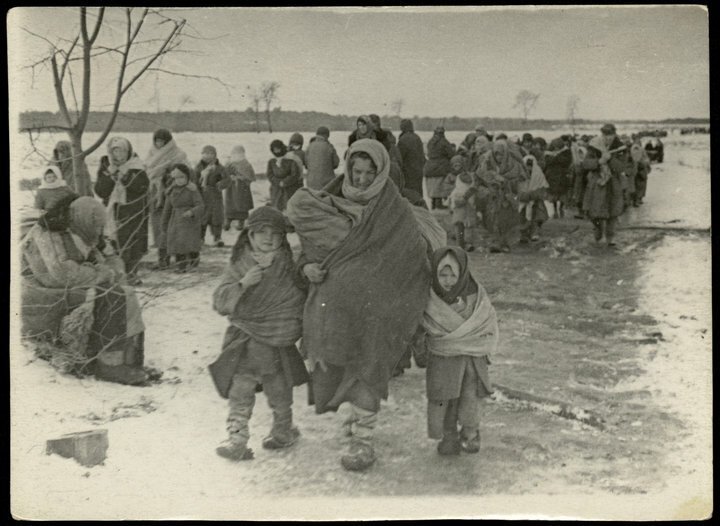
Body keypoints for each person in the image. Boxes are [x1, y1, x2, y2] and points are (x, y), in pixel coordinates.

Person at [285, 139, 430, 471]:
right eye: (356, 171)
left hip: (378, 308)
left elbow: (411, 256)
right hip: (336, 308)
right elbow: (308, 252)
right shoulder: (330, 200)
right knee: (339, 365)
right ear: (347, 168)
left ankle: (364, 439)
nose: (362, 179)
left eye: (369, 172)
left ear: (381, 172)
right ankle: (354, 419)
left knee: (368, 368)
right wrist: (306, 268)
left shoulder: (394, 209)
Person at [210, 206, 309, 461]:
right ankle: (237, 439)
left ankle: (282, 432)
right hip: (244, 342)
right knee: (240, 391)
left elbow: (297, 300)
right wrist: (243, 284)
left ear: (282, 237)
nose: (268, 238)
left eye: (274, 233)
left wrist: (287, 324)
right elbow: (220, 302)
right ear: (249, 236)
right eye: (261, 232)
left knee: (279, 390)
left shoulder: (288, 266)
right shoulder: (239, 264)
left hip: (276, 342)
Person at [21, 195, 149, 385]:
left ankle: (130, 361)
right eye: (96, 226)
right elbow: (61, 273)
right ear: (83, 219)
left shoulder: (83, 230)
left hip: (65, 286)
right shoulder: (48, 232)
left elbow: (108, 258)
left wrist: (115, 271)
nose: (99, 231)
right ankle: (108, 364)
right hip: (40, 291)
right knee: (110, 297)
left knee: (126, 294)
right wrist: (102, 274)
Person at [418, 246, 498, 455]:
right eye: (442, 275)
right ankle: (449, 436)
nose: (447, 280)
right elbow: (421, 325)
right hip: (442, 360)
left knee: (470, 398)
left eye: (452, 275)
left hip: (471, 361)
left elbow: (487, 322)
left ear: (461, 273)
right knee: (445, 399)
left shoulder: (476, 295)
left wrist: (479, 344)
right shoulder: (428, 297)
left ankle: (471, 433)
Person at [94, 137, 149, 286]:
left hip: (132, 212)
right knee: (113, 244)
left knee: (133, 244)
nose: (118, 155)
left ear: (128, 151)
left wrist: (125, 177)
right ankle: (116, 275)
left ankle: (131, 274)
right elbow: (100, 191)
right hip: (112, 212)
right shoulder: (106, 167)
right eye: (115, 151)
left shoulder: (136, 166)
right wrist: (110, 176)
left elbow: (141, 187)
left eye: (121, 151)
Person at [145, 129, 193, 271]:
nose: (159, 144)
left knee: (175, 228)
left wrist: (168, 175)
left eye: (162, 141)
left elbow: (187, 172)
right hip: (155, 195)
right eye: (157, 141)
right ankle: (163, 259)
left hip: (173, 194)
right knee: (159, 228)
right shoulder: (151, 154)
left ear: (168, 142)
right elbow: (147, 172)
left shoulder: (178, 154)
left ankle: (180, 260)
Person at [476, 139, 527, 253]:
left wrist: (506, 182)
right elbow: (480, 178)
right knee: (493, 220)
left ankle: (505, 243)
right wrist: (491, 183)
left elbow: (520, 180)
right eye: (496, 154)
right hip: (493, 197)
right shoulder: (487, 163)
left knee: (506, 221)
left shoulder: (514, 165)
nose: (499, 157)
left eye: (501, 154)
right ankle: (495, 242)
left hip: (507, 198)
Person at [581, 124, 626, 247]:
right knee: (594, 210)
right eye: (605, 135)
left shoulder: (620, 148)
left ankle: (610, 237)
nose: (608, 138)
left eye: (610, 134)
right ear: (602, 134)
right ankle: (598, 229)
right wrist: (599, 161)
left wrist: (610, 159)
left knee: (613, 211)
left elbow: (622, 167)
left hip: (613, 184)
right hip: (597, 183)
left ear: (615, 134)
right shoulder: (594, 146)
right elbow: (585, 164)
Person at [161, 164, 205, 273]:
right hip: (175, 220)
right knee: (177, 244)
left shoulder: (192, 189)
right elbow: (167, 208)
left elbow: (201, 205)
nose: (179, 180)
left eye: (182, 177)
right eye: (176, 178)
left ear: (187, 177)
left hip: (190, 222)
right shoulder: (171, 190)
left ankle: (194, 261)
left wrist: (192, 212)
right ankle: (181, 267)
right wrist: (164, 223)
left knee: (190, 243)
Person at [196, 145, 230, 248]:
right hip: (202, 196)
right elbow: (194, 179)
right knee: (202, 218)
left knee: (217, 218)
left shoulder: (220, 167)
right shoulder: (198, 167)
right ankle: (200, 238)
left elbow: (227, 180)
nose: (207, 156)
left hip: (215, 196)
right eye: (205, 153)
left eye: (210, 153)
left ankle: (217, 237)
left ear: (215, 155)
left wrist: (220, 184)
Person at [447, 155, 477, 252]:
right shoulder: (453, 177)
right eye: (455, 166)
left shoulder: (467, 176)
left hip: (467, 202)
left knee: (468, 224)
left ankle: (468, 243)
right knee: (458, 223)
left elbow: (472, 187)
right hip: (457, 203)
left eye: (459, 166)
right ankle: (460, 243)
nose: (457, 168)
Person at [518, 155, 550, 243]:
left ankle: (534, 233)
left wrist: (532, 195)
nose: (529, 169)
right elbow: (516, 188)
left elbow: (542, 188)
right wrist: (523, 196)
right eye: (527, 167)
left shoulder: (538, 175)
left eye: (530, 167)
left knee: (535, 218)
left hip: (535, 201)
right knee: (522, 218)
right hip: (523, 202)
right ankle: (523, 234)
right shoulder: (519, 176)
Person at [224, 145, 256, 231]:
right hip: (231, 188)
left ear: (243, 154)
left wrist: (240, 178)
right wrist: (229, 176)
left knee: (242, 205)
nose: (237, 155)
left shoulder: (246, 164)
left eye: (239, 153)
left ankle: (241, 222)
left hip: (242, 189)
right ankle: (228, 221)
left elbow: (250, 176)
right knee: (230, 204)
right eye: (235, 153)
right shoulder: (230, 163)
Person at [424, 126, 456, 209]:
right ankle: (439, 205)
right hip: (441, 167)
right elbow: (451, 154)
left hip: (429, 167)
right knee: (439, 187)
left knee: (433, 188)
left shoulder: (430, 142)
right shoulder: (444, 142)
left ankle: (433, 205)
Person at [267, 139, 303, 211]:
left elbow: (295, 174)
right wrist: (278, 182)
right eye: (274, 149)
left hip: (289, 189)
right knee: (277, 208)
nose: (276, 151)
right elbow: (270, 175)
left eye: (278, 149)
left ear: (281, 148)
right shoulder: (272, 161)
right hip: (276, 189)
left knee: (289, 208)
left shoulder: (291, 159)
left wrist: (285, 182)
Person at [544, 137, 573, 218]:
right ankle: (555, 209)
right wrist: (557, 158)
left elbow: (566, 161)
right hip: (552, 176)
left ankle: (560, 208)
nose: (556, 148)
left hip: (561, 176)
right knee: (553, 195)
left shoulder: (566, 151)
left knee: (562, 194)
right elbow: (548, 161)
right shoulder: (549, 152)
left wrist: (555, 158)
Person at [397, 119, 427, 196]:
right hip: (418, 170)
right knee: (418, 191)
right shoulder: (417, 137)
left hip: (407, 171)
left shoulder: (403, 139)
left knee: (408, 192)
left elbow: (399, 157)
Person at [630, 139, 652, 206]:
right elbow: (646, 159)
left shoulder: (630, 149)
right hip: (641, 169)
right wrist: (648, 168)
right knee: (641, 185)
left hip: (634, 170)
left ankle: (634, 199)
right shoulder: (642, 149)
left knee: (634, 185)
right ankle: (638, 199)